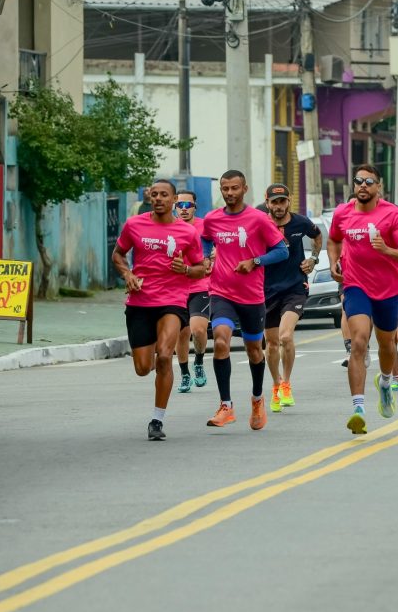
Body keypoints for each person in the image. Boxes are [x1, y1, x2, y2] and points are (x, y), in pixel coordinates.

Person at [112, 179, 207, 441]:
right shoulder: (134, 224)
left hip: (172, 301)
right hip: (140, 301)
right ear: (149, 198)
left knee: (165, 357)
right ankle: (152, 355)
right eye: (154, 194)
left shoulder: (187, 233)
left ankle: (157, 419)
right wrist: (127, 274)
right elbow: (118, 254)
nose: (158, 198)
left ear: (174, 199)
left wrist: (186, 270)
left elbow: (201, 267)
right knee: (143, 368)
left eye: (164, 194)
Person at [329, 164, 398, 434]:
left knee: (386, 345)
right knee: (358, 341)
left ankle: (384, 383)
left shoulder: (391, 215)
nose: (363, 186)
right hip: (355, 285)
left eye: (369, 181)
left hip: (388, 289)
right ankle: (358, 408)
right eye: (359, 181)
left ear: (378, 186)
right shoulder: (342, 212)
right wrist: (335, 262)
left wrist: (387, 249)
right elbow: (334, 240)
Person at [201, 170, 290, 430]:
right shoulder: (212, 219)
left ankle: (257, 399)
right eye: (225, 189)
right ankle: (226, 405)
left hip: (251, 296)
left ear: (245, 189)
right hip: (221, 292)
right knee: (220, 340)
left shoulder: (259, 219)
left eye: (234, 188)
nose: (229, 193)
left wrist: (255, 261)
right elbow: (205, 239)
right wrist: (207, 257)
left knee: (254, 351)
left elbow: (281, 251)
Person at [261, 183, 321, 412]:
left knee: (286, 336)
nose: (278, 206)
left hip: (295, 287)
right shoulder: (260, 224)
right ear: (267, 203)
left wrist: (313, 259)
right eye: (274, 202)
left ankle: (286, 383)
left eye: (282, 201)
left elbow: (318, 237)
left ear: (289, 201)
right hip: (266, 290)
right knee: (272, 343)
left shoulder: (301, 222)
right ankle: (276, 385)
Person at [173, 189, 210, 393]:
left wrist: (212, 257)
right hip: (176, 288)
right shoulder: (169, 227)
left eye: (188, 206)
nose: (184, 209)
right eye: (180, 205)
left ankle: (199, 361)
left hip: (200, 285)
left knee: (197, 329)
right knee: (181, 334)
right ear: (175, 207)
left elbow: (218, 247)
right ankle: (185, 374)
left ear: (195, 207)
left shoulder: (204, 226)